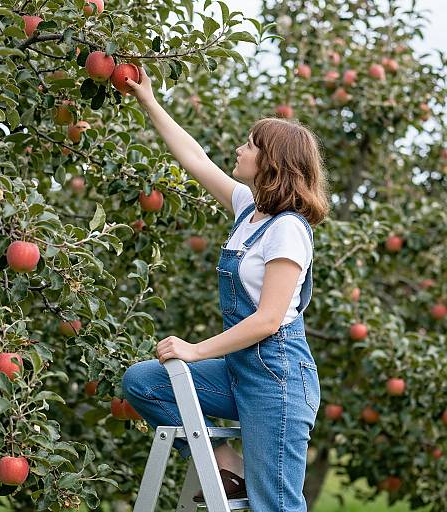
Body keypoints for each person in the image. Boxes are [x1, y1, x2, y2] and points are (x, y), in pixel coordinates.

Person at [121, 67, 330, 511]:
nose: (240, 149)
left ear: (272, 162)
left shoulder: (288, 230)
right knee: (145, 382)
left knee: (274, 505)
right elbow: (195, 159)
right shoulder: (247, 209)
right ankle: (224, 466)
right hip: (239, 374)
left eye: (250, 145)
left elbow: (269, 319)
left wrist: (196, 350)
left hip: (278, 380)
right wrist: (149, 102)